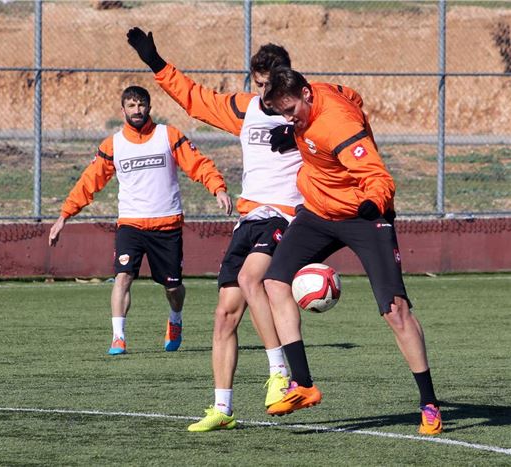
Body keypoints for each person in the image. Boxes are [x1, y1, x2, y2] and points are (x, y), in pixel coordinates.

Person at [127, 28, 366, 432]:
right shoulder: (246, 108)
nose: (261, 92)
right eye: (256, 84)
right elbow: (195, 98)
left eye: (267, 84)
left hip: (287, 215)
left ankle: (279, 376)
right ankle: (223, 408)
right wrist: (156, 62)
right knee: (224, 316)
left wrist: (293, 130)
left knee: (252, 277)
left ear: (286, 79)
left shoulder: (308, 109)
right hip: (249, 217)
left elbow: (351, 100)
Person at [260, 67, 442, 435]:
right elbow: (353, 94)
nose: (288, 116)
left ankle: (429, 404)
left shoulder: (338, 124)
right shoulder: (320, 96)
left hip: (364, 214)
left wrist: (375, 202)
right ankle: (304, 384)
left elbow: (378, 176)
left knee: (396, 311)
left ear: (307, 94)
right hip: (318, 212)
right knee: (275, 281)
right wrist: (293, 133)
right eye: (281, 112)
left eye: (291, 109)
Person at [48, 85, 232, 356]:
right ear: (123, 110)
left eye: (141, 105)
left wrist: (217, 187)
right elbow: (90, 182)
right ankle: (118, 337)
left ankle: (175, 319)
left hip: (166, 224)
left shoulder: (168, 135)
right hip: (130, 225)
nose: (137, 110)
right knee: (122, 277)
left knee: (173, 286)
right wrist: (64, 215)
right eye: (131, 106)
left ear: (149, 107)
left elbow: (198, 164)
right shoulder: (113, 145)